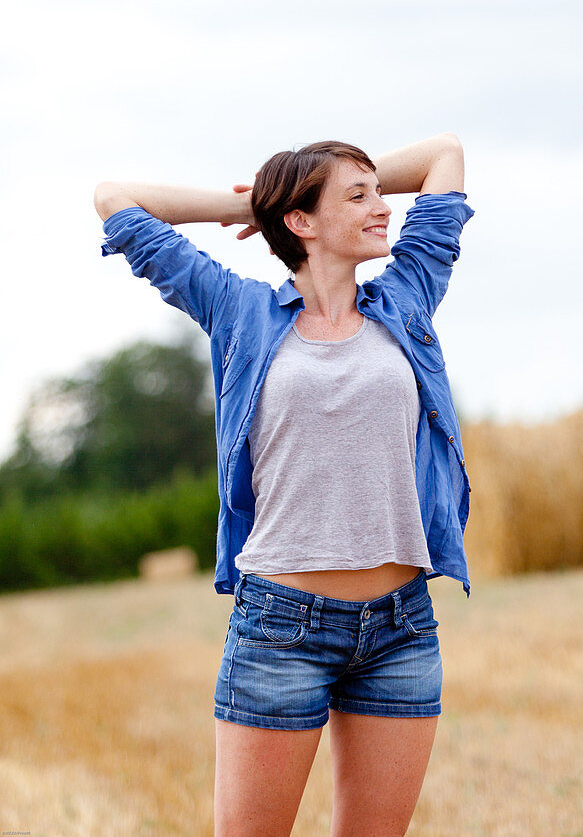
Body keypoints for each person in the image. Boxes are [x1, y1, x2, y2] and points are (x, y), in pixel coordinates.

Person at [94, 131, 475, 837]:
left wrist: (327, 186)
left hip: (401, 629)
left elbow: (442, 156)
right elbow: (115, 200)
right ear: (300, 223)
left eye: (377, 192)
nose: (381, 206)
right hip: (281, 631)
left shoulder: (408, 295)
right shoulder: (235, 309)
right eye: (357, 197)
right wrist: (258, 200)